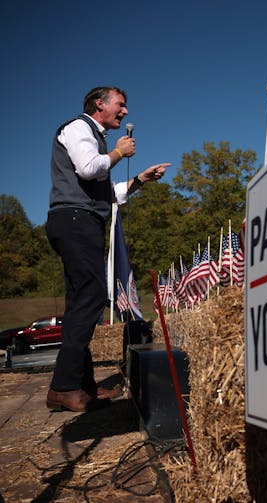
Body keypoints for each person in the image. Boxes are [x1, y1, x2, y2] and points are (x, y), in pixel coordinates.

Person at [46, 86, 170, 412]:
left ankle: (82, 387)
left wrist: (140, 179)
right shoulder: (78, 128)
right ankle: (63, 386)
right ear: (100, 104)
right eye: (121, 105)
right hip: (75, 220)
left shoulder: (97, 142)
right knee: (92, 296)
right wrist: (118, 153)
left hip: (83, 219)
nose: (126, 111)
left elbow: (108, 193)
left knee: (80, 302)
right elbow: (90, 168)